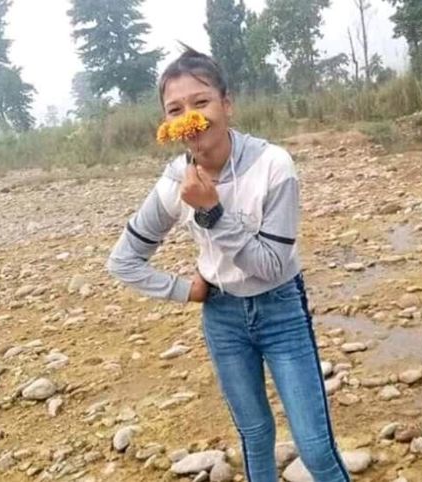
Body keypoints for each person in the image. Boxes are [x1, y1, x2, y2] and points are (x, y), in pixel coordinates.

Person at [106, 46, 351, 482]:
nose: (190, 119)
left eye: (201, 102)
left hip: (281, 309)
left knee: (315, 447)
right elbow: (124, 260)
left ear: (227, 104)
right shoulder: (174, 182)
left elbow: (271, 265)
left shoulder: (274, 165)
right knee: (255, 436)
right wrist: (185, 289)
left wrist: (212, 211)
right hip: (221, 316)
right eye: (175, 110)